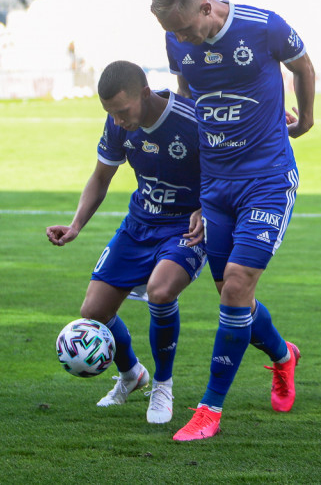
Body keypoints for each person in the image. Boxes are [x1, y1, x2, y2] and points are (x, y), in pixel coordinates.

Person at [150, 0, 316, 441]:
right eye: (171, 32)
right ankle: (283, 355)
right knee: (230, 293)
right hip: (216, 187)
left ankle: (210, 409)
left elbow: (304, 66)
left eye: (183, 28)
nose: (180, 38)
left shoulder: (263, 27)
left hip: (265, 180)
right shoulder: (176, 41)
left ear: (206, 7)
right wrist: (197, 193)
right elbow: (187, 103)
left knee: (238, 285)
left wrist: (304, 121)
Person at [46, 60, 207, 425]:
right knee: (93, 312)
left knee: (161, 291)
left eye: (122, 111)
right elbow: (101, 178)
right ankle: (132, 373)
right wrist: (75, 226)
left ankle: (163, 386)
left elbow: (228, 169)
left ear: (145, 93)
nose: (117, 121)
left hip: (186, 227)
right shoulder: (119, 123)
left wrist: (206, 207)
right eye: (110, 114)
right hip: (139, 224)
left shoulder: (192, 120)